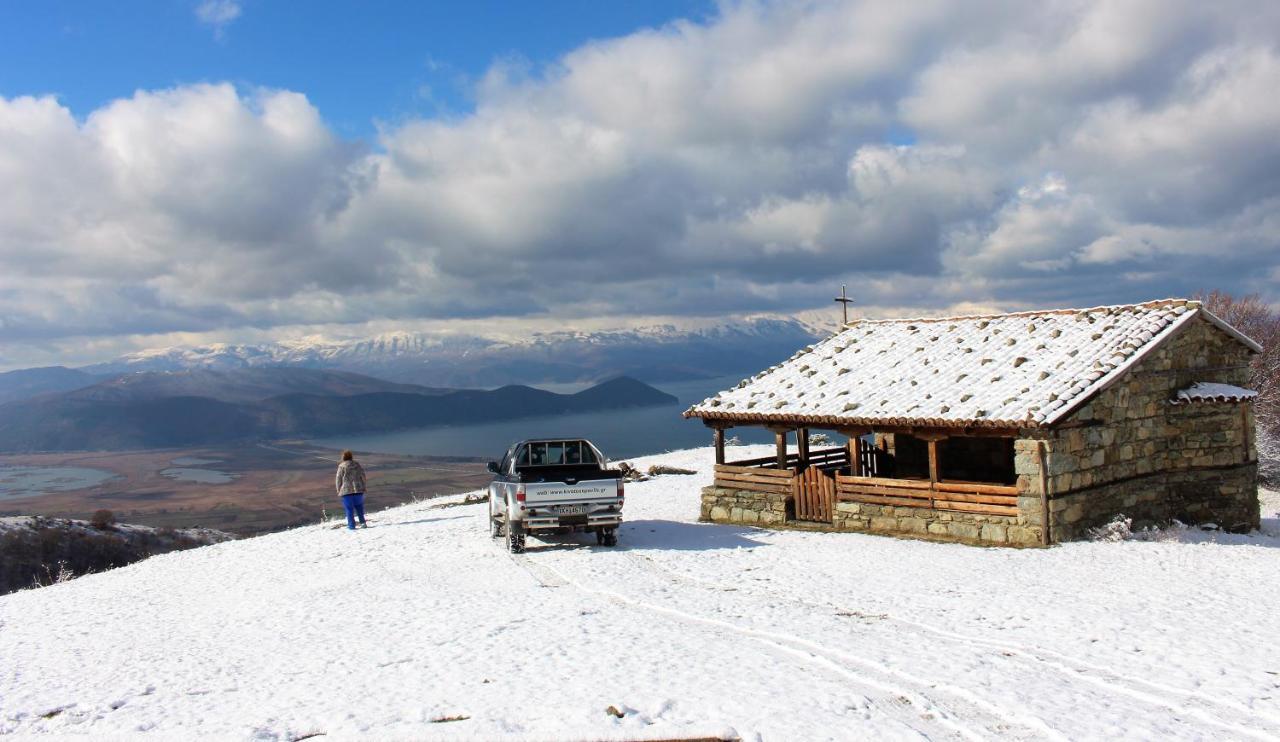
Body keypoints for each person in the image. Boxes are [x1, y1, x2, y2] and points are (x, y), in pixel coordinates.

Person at [335, 450, 367, 530]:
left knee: (349, 509)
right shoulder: (357, 465)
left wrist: (338, 489)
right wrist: (363, 486)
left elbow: (338, 479)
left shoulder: (341, 466)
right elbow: (363, 476)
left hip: (346, 491)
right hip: (358, 490)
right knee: (359, 508)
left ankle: (351, 526)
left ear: (343, 457)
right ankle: (363, 523)